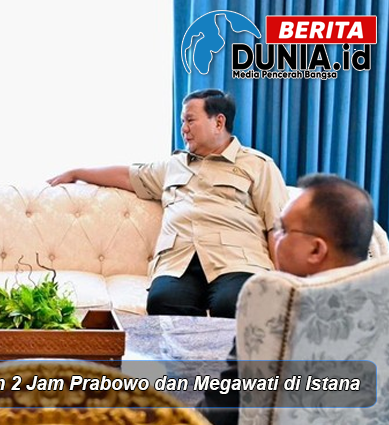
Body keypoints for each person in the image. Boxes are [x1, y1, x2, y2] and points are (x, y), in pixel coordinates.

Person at [47, 89, 289, 318]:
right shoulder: (173, 166)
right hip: (179, 262)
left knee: (235, 302)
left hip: (237, 260)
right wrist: (78, 172)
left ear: (218, 122)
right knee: (162, 300)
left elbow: (277, 227)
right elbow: (127, 176)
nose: (184, 129)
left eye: (190, 120)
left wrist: (286, 280)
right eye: (182, 122)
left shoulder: (258, 165)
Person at [199, 173, 375, 425]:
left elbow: (218, 419)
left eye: (282, 230)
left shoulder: (274, 307)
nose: (274, 239)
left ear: (316, 250)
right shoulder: (388, 304)